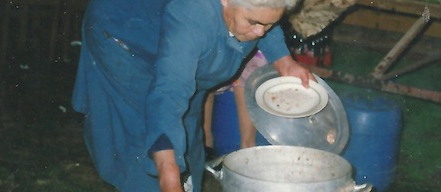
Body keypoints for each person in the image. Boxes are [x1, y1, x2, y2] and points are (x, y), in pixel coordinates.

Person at [70, 0, 313, 190]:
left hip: (171, 33)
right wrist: (168, 179)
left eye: (268, 24)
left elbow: (263, 14)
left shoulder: (252, 11)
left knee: (188, 132)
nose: (260, 32)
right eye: (252, 22)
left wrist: (284, 60)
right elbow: (169, 96)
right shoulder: (191, 14)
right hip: (126, 36)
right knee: (146, 134)